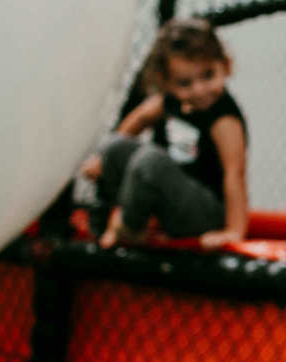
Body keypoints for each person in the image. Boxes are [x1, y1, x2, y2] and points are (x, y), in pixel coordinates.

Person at [81, 17, 248, 250]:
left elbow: (235, 173)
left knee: (150, 161)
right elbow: (138, 118)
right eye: (185, 83)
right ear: (167, 83)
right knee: (115, 147)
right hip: (169, 203)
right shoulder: (169, 102)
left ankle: (129, 228)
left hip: (204, 214)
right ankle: (100, 228)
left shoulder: (223, 117)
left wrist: (234, 231)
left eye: (208, 75)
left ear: (226, 66)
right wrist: (103, 159)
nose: (198, 89)